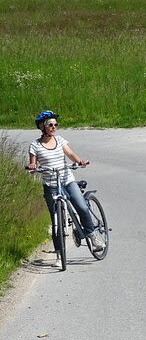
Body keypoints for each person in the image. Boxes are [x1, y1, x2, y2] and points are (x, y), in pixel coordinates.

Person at [27, 110, 106, 267]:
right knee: (56, 221)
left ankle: (93, 236)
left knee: (82, 206)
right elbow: (33, 163)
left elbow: (70, 154)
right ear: (43, 126)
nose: (54, 127)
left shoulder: (60, 140)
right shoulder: (35, 145)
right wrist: (32, 166)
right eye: (51, 124)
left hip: (67, 180)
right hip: (51, 186)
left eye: (56, 124)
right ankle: (59, 256)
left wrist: (80, 161)